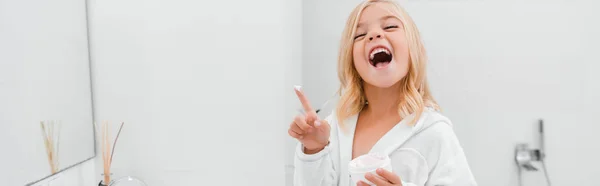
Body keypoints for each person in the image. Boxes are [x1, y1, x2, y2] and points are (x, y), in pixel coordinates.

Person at [287, 0, 477, 185]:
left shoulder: (435, 133)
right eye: (359, 35)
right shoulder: (333, 128)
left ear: (414, 49)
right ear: (352, 61)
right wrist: (314, 150)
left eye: (390, 27)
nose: (374, 34)